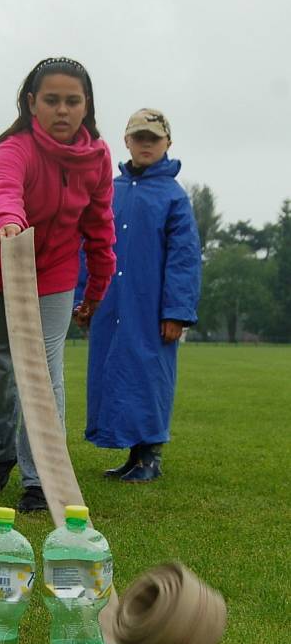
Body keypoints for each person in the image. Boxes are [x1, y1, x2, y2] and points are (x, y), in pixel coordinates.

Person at [0, 57, 116, 512]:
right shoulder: (14, 147)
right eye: (52, 100)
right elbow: (4, 190)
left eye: (73, 101)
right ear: (32, 104)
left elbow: (101, 227)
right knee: (4, 374)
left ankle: (40, 479)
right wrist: (9, 223)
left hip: (53, 275)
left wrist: (95, 292)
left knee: (45, 377)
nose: (63, 110)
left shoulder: (98, 158)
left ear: (87, 105)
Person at [79, 108, 201, 482]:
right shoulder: (108, 191)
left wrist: (176, 312)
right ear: (127, 141)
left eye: (153, 138)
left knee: (149, 375)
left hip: (151, 308)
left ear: (167, 143)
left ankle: (150, 455)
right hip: (112, 302)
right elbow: (89, 244)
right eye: (139, 138)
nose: (145, 145)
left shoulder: (173, 198)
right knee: (113, 370)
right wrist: (84, 297)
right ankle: (132, 455)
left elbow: (184, 259)